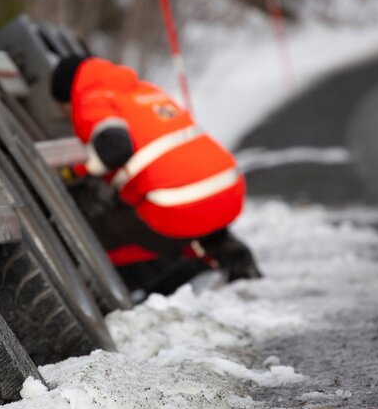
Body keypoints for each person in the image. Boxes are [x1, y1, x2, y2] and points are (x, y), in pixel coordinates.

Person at [50, 55, 261, 283]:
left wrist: (72, 172)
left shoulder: (91, 98)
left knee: (94, 231)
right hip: (229, 190)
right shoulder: (144, 89)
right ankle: (223, 249)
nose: (65, 114)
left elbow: (115, 148)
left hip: (178, 207)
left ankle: (124, 287)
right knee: (164, 206)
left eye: (63, 108)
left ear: (68, 96)